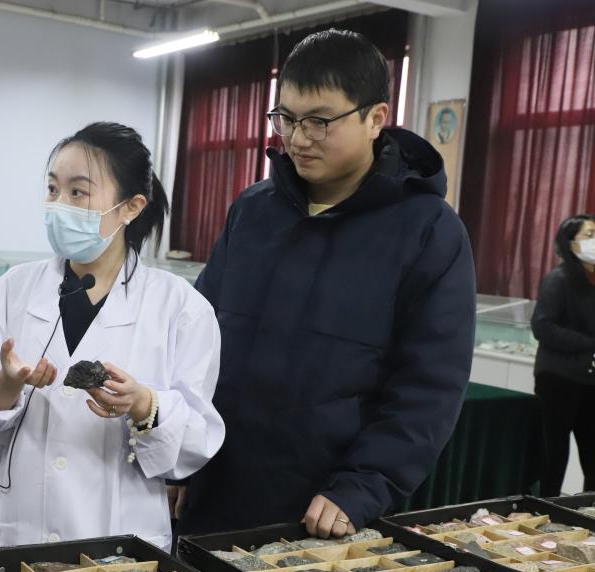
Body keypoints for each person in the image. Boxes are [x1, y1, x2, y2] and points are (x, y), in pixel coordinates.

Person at [177, 29, 477, 539]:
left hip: (324, 509)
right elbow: (194, 343)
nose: (297, 138)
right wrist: (179, 456)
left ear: (376, 118)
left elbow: (429, 386)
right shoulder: (253, 211)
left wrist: (364, 484)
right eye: (287, 118)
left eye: (319, 121)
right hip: (213, 486)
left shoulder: (428, 231)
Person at [0, 122, 224, 551]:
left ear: (131, 207)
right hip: (13, 528)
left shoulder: (181, 308)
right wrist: (6, 384)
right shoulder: (14, 290)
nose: (59, 205)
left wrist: (145, 405)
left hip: (116, 538)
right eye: (53, 189)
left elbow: (196, 444)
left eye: (78, 192)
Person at [532, 215, 595, 496]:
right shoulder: (558, 279)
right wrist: (588, 343)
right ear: (571, 243)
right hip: (558, 380)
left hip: (590, 381)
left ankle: (587, 513)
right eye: (589, 235)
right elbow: (542, 326)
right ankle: (546, 508)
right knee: (554, 457)